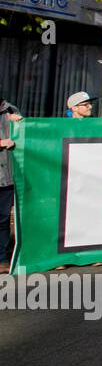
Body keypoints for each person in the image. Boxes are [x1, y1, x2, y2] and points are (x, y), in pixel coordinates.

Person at [0, 107, 15, 272]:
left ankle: (2, 259)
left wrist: (20, 122)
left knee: (3, 219)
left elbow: (25, 134)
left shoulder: (10, 109)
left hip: (6, 176)